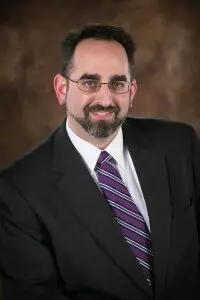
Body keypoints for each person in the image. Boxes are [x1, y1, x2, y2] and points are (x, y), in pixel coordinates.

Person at [0, 24, 199, 300]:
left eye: (117, 83)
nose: (105, 99)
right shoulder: (18, 190)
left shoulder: (179, 145)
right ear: (61, 89)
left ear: (132, 91)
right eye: (89, 82)